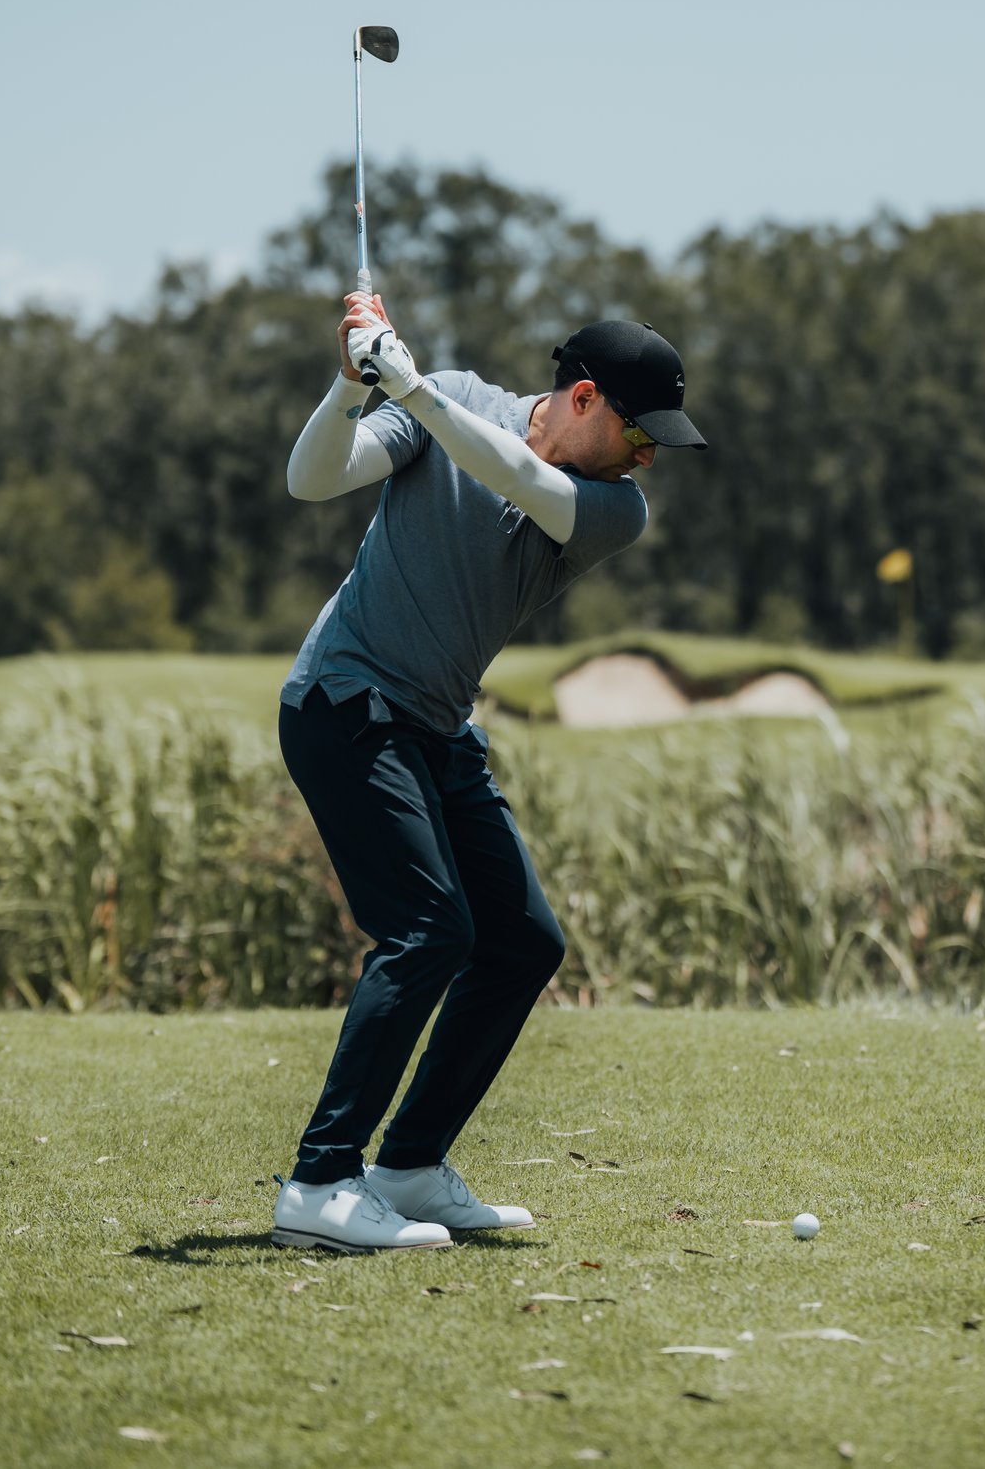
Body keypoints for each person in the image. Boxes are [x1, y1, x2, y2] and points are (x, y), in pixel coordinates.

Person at [268, 290, 705, 1253]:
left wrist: (410, 385)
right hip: (346, 702)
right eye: (642, 432)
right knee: (427, 929)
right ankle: (320, 1181)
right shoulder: (458, 399)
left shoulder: (612, 508)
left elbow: (513, 473)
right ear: (584, 398)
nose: (651, 457)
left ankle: (410, 1165)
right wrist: (350, 386)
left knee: (520, 942)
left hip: (435, 724)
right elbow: (316, 478)